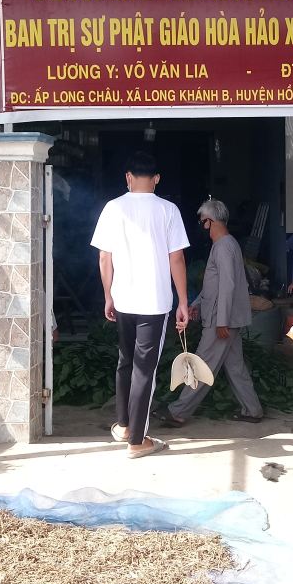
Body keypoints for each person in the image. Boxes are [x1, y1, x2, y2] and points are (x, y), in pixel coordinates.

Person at [90, 151, 191, 459]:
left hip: (123, 299)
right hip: (155, 302)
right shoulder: (168, 210)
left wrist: (108, 295)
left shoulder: (112, 207)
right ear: (157, 178)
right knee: (144, 370)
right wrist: (184, 301)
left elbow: (104, 257)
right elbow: (176, 258)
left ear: (129, 177)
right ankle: (137, 439)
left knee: (125, 360)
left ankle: (123, 425)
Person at [156, 199, 264, 427]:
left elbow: (228, 286)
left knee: (202, 364)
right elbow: (214, 285)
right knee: (235, 367)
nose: (201, 226)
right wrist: (197, 303)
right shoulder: (227, 244)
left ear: (209, 222)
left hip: (221, 320)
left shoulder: (223, 246)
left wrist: (221, 321)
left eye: (202, 221)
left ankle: (178, 411)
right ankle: (253, 410)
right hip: (226, 317)